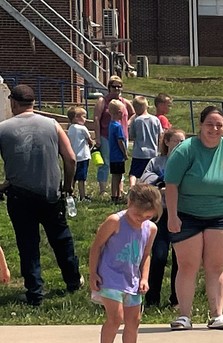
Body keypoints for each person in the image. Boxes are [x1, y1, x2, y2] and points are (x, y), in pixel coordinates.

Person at [164, 106, 223, 331]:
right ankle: (184, 315)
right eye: (209, 124)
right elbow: (171, 184)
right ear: (201, 126)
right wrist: (172, 216)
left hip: (220, 214)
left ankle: (217, 314)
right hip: (186, 215)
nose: (214, 129)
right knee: (188, 265)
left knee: (215, 265)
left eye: (219, 125)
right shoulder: (186, 149)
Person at [0, 85, 82, 306]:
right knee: (62, 239)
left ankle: (35, 292)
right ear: (33, 103)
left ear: (13, 103)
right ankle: (73, 281)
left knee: (28, 244)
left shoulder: (3, 129)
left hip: (19, 195)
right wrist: (68, 186)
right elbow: (71, 159)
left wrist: (4, 184)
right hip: (50, 193)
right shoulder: (52, 124)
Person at [86, 183, 161, 343]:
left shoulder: (150, 228)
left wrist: (144, 277)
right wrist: (93, 273)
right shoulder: (115, 221)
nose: (142, 220)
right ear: (129, 203)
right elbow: (96, 248)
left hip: (132, 280)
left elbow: (146, 255)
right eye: (138, 215)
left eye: (148, 216)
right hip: (110, 277)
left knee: (133, 321)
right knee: (115, 318)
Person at [139, 127, 186, 308]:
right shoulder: (156, 162)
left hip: (181, 213)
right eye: (176, 141)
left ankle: (177, 299)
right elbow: (145, 182)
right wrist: (161, 185)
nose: (180, 145)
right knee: (158, 256)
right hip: (160, 214)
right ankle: (152, 299)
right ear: (167, 142)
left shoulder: (187, 162)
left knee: (179, 258)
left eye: (183, 141)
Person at [93, 76, 134, 198]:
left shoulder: (124, 102)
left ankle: (119, 190)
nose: (116, 89)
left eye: (119, 86)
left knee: (119, 163)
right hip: (106, 136)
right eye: (114, 86)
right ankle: (103, 189)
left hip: (122, 136)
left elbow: (133, 114)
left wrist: (128, 124)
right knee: (105, 163)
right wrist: (98, 138)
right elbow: (96, 119)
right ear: (109, 87)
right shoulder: (102, 101)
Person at [127, 96, 163, 188]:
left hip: (139, 153)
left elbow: (131, 135)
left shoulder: (136, 120)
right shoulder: (155, 119)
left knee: (134, 174)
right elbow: (161, 135)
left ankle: (132, 188)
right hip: (153, 152)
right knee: (150, 174)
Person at [66, 106, 94, 200]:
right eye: (84, 116)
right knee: (82, 178)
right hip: (83, 156)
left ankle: (70, 194)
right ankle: (82, 196)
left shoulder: (70, 128)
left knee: (73, 176)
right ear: (76, 117)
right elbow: (90, 141)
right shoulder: (82, 128)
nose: (85, 119)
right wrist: (92, 144)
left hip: (74, 156)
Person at [106, 99, 128, 203]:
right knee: (118, 176)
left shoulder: (111, 125)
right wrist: (125, 153)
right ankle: (117, 196)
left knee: (115, 176)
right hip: (118, 156)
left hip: (112, 155)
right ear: (119, 112)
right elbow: (120, 141)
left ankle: (114, 195)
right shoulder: (118, 126)